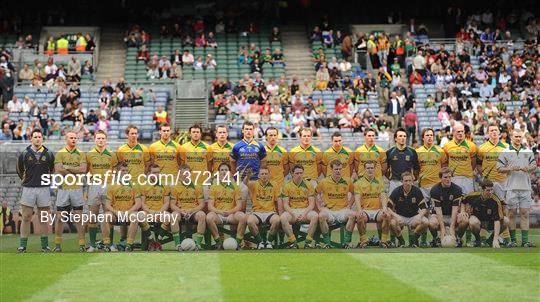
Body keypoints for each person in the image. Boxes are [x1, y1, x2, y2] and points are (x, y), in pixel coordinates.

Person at [16, 129, 55, 252]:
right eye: (35, 137)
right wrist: (27, 179)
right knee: (26, 217)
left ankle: (45, 246)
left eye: (39, 137)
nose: (37, 138)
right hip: (28, 188)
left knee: (43, 218)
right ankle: (23, 246)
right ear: (31, 138)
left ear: (42, 138)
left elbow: (53, 170)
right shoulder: (24, 154)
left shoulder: (49, 154)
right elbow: (19, 170)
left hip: (43, 189)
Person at [497, 129, 536, 247]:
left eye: (520, 137)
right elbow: (498, 167)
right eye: (516, 137)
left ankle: (525, 241)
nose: (518, 139)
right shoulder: (505, 151)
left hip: (525, 187)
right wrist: (510, 168)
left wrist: (528, 168)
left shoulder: (528, 151)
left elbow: (534, 165)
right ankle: (513, 240)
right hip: (511, 188)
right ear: (511, 137)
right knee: (512, 214)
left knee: (525, 214)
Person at [53, 131, 87, 252]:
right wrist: (74, 172)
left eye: (75, 138)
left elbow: (83, 169)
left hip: (77, 189)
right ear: (66, 139)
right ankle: (57, 245)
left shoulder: (81, 153)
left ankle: (82, 245)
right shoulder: (60, 153)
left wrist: (67, 168)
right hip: (63, 188)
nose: (73, 139)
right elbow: (58, 169)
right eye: (71, 138)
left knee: (79, 217)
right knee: (60, 217)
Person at [102, 163, 146, 252]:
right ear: (118, 172)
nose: (125, 173)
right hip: (116, 214)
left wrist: (128, 212)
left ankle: (129, 244)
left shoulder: (134, 185)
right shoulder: (112, 186)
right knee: (105, 216)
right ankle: (107, 244)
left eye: (126, 171)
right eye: (123, 171)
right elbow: (107, 204)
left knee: (135, 216)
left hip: (129, 213)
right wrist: (116, 212)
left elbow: (138, 203)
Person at [85, 130, 117, 252]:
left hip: (108, 186)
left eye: (103, 138)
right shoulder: (89, 155)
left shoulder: (112, 155)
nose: (101, 140)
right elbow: (86, 171)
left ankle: (109, 244)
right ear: (94, 140)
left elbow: (114, 171)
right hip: (94, 186)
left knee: (109, 216)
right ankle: (92, 245)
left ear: (106, 140)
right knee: (93, 216)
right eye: (98, 138)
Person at [206, 163, 247, 250]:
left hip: (231, 214)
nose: (224, 172)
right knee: (209, 217)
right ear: (218, 173)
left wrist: (230, 212)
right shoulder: (213, 187)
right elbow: (210, 206)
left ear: (230, 173)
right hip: (218, 214)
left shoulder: (236, 186)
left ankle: (238, 244)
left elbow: (239, 206)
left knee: (243, 217)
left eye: (226, 170)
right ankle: (218, 243)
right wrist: (220, 212)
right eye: (222, 170)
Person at [316, 160, 356, 248]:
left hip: (343, 210)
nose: (338, 171)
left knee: (353, 214)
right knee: (321, 216)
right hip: (329, 211)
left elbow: (354, 194)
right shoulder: (324, 182)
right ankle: (327, 243)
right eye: (336, 169)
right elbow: (315, 194)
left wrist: (349, 205)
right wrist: (319, 208)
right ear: (331, 169)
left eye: (340, 169)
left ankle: (346, 242)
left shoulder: (348, 181)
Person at [353, 161, 391, 248]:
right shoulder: (358, 183)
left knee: (387, 215)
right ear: (364, 169)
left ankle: (384, 241)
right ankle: (364, 241)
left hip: (377, 210)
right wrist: (359, 210)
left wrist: (385, 208)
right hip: (365, 210)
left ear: (375, 169)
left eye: (372, 168)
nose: (370, 170)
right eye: (368, 168)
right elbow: (357, 198)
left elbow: (383, 196)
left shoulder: (380, 181)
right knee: (359, 216)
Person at [280, 164, 319, 249]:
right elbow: (285, 205)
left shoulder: (309, 185)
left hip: (305, 210)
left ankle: (307, 243)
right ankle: (293, 242)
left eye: (301, 173)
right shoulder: (287, 186)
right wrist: (294, 214)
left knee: (315, 216)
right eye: (297, 173)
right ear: (292, 174)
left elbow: (312, 204)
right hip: (292, 210)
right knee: (283, 218)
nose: (299, 175)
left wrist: (304, 214)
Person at [134, 164, 171, 251]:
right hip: (148, 212)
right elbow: (142, 203)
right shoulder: (143, 185)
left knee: (169, 216)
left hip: (160, 212)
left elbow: (166, 203)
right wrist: (150, 212)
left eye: (158, 172)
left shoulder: (165, 185)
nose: (156, 175)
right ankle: (151, 241)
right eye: (154, 173)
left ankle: (158, 242)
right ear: (149, 173)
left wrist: (159, 212)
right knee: (140, 216)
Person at [461, 180, 508, 248]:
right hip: (478, 222)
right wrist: (462, 210)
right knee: (473, 221)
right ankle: (478, 240)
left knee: (506, 221)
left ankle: (491, 240)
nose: (490, 192)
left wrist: (495, 239)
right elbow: (463, 200)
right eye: (488, 190)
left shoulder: (495, 200)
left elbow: (497, 220)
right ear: (482, 190)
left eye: (492, 190)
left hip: (490, 223)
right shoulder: (474, 195)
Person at [170, 164, 207, 250]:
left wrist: (191, 210)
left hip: (193, 212)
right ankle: (177, 245)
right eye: (183, 174)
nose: (186, 175)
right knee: (174, 216)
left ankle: (198, 245)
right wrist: (181, 211)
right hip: (180, 211)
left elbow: (202, 204)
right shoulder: (175, 187)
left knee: (202, 215)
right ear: (179, 174)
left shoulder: (197, 186)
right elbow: (172, 204)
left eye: (187, 173)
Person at [428, 167, 467, 247]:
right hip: (439, 215)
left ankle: (458, 238)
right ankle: (436, 239)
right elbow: (438, 211)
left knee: (464, 220)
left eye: (450, 177)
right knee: (432, 223)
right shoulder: (435, 190)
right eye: (445, 177)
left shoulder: (457, 189)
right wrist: (442, 229)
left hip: (452, 215)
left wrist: (452, 227)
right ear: (440, 178)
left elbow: (455, 209)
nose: (448, 179)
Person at [388, 172, 429, 247]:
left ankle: (414, 241)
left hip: (413, 217)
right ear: (402, 181)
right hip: (400, 217)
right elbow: (388, 207)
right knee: (392, 222)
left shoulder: (417, 191)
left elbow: (424, 208)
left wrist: (419, 216)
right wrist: (396, 216)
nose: (408, 183)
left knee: (425, 221)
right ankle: (401, 242)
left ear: (412, 181)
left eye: (410, 181)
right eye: (406, 181)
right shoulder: (396, 191)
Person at [245, 167, 281, 249]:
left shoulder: (274, 184)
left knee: (277, 220)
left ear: (269, 175)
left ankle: (268, 242)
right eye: (262, 174)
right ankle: (260, 242)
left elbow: (276, 201)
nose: (264, 175)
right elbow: (245, 183)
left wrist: (279, 213)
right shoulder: (254, 184)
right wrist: (248, 176)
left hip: (270, 212)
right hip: (257, 212)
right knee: (250, 221)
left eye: (266, 174)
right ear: (258, 175)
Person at [442, 123, 477, 194]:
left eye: (462, 131)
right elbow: (446, 162)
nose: (460, 133)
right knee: (454, 201)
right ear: (453, 132)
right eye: (458, 131)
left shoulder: (472, 145)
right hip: (453, 177)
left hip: (467, 177)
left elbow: (473, 162)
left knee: (468, 201)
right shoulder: (447, 145)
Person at [477, 123, 508, 199]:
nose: (494, 132)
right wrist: (485, 176)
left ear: (499, 132)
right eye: (491, 130)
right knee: (486, 204)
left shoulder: (507, 147)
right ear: (488, 133)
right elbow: (478, 165)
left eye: (495, 130)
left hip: (502, 181)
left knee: (502, 205)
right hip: (488, 182)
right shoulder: (482, 148)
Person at [386, 128, 420, 194]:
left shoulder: (412, 152)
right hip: (394, 182)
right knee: (393, 203)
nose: (403, 138)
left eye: (404, 136)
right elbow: (385, 168)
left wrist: (413, 179)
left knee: (409, 203)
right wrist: (391, 178)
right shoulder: (389, 152)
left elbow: (416, 168)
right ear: (395, 138)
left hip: (408, 181)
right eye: (400, 136)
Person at [263, 127, 289, 213]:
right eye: (270, 135)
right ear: (266, 137)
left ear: (277, 136)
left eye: (275, 135)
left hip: (279, 184)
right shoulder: (261, 151)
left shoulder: (283, 151)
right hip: (265, 184)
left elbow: (287, 169)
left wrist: (279, 177)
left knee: (280, 209)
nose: (273, 137)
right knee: (267, 208)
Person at [416, 128, 447, 197]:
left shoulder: (440, 151)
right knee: (424, 207)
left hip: (437, 185)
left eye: (431, 135)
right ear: (423, 138)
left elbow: (444, 167)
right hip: (423, 185)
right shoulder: (417, 151)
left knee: (437, 207)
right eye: (427, 135)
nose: (430, 137)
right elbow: (416, 169)